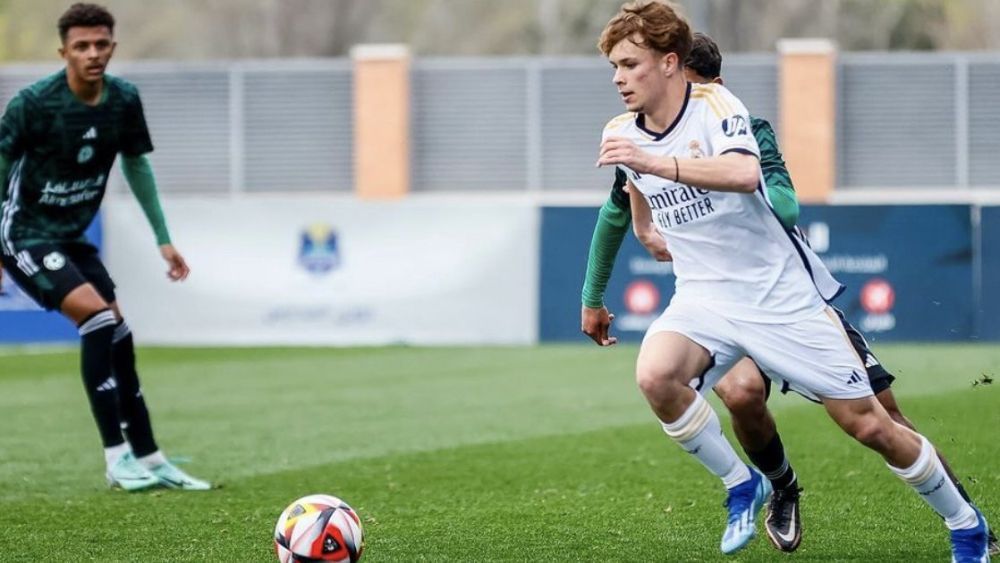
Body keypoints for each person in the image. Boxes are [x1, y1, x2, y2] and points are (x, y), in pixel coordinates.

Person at [592, 2, 989, 559]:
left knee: (870, 425)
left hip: (779, 298)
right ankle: (744, 484)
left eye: (629, 64)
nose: (617, 78)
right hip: (704, 298)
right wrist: (642, 230)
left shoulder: (715, 104)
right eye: (613, 66)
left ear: (669, 62)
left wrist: (657, 166)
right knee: (656, 377)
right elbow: (631, 195)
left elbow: (744, 173)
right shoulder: (619, 132)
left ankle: (965, 523)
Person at [0, 3, 210, 492]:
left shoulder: (123, 101)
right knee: (97, 320)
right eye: (81, 46)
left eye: (100, 44)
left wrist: (163, 238)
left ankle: (151, 458)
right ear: (64, 51)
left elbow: (137, 165)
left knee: (119, 334)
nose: (92, 54)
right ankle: (116, 459)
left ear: (112, 46)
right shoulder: (33, 103)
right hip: (25, 232)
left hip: (72, 235)